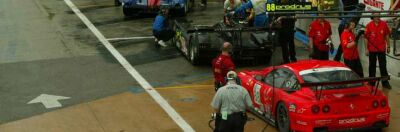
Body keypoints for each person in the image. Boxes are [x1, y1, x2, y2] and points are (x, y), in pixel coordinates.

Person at [364, 13, 392, 89]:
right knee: (372, 65)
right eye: (376, 16)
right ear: (372, 17)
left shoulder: (384, 24)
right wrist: (366, 49)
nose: (377, 17)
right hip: (372, 49)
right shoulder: (368, 25)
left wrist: (388, 46)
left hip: (381, 49)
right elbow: (366, 38)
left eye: (378, 16)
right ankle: (371, 81)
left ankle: (385, 82)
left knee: (383, 66)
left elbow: (386, 35)